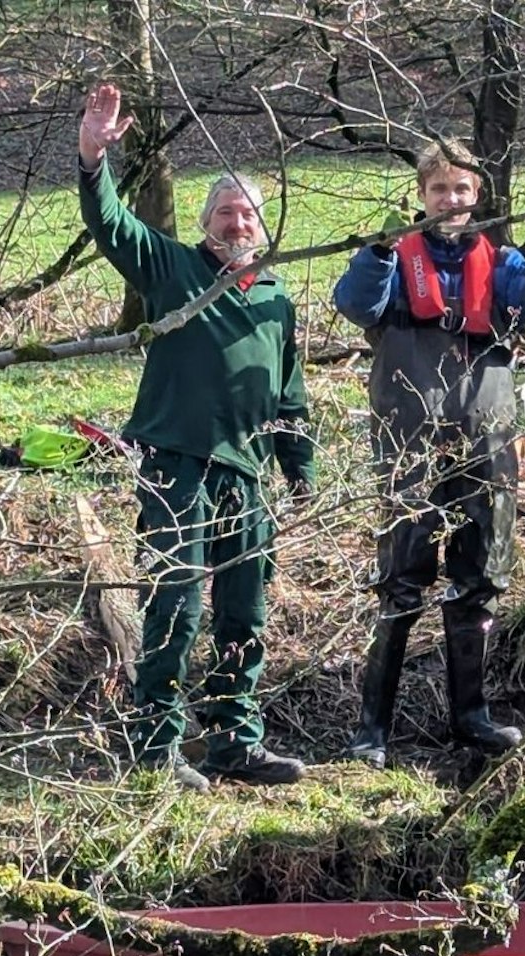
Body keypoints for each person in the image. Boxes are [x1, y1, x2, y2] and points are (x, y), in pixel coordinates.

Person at [76, 83, 314, 790]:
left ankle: (234, 740)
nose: (235, 222)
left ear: (262, 226)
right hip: (175, 464)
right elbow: (111, 222)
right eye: (223, 212)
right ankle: (155, 746)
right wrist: (94, 156)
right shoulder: (173, 268)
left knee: (245, 610)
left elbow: (289, 393)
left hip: (245, 474)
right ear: (206, 221)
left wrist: (299, 468)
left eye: (246, 213)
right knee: (174, 606)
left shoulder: (274, 298)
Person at [333, 140, 525, 770]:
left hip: (485, 432)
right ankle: (373, 726)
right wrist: (379, 251)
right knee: (401, 579)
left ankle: (470, 716)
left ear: (476, 197)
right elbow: (356, 302)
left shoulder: (500, 263)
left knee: (482, 574)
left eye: (462, 191)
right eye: (439, 190)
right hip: (410, 439)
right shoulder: (392, 260)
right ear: (423, 196)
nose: (451, 201)